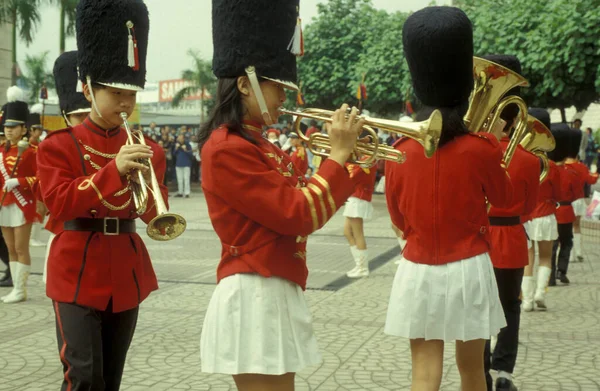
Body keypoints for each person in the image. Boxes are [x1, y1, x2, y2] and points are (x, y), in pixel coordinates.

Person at [199, 1, 364, 390]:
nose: (283, 99)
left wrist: (341, 159)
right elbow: (297, 213)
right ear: (245, 83)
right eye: (278, 87)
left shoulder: (262, 145)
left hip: (273, 285)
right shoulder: (227, 148)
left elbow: (305, 199)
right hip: (254, 289)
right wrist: (338, 155)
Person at [36, 1, 167, 389]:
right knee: (83, 376)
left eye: (132, 93)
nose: (125, 103)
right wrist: (113, 172)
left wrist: (147, 188)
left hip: (124, 269)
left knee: (111, 378)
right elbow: (60, 204)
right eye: (114, 92)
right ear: (88, 88)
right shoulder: (58, 146)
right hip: (74, 269)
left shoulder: (149, 149)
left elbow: (152, 216)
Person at [384, 7, 513, 391]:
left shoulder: (400, 150)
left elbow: (398, 218)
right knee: (473, 370)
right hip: (469, 267)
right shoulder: (483, 147)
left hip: (418, 268)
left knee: (423, 372)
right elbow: (505, 199)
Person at [481, 55, 540, 391]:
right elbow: (530, 208)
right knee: (509, 309)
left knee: (478, 310)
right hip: (513, 239)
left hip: (479, 239)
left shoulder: (472, 153)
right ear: (517, 117)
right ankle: (504, 374)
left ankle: (480, 371)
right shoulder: (531, 161)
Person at [39, 50, 92, 284]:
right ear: (66, 116)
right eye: (78, 115)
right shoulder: (55, 147)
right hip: (69, 236)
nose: (86, 120)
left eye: (90, 114)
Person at [521, 109, 562, 311]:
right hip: (547, 214)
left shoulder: (522, 159)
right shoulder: (551, 165)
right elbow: (560, 194)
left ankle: (527, 301)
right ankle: (540, 294)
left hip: (528, 217)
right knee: (546, 257)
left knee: (527, 259)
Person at [0, 86, 37, 304]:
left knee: (22, 247)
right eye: (7, 127)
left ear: (24, 129)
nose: (9, 130)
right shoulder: (1, 151)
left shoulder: (32, 152)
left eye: (14, 127)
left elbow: (41, 177)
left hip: (22, 203)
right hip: (4, 203)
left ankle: (21, 289)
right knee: (11, 248)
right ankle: (16, 288)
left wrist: (20, 182)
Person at [549, 124, 583, 285]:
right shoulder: (571, 173)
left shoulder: (546, 169)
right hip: (566, 211)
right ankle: (561, 271)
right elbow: (577, 194)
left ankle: (549, 275)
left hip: (550, 211)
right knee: (566, 242)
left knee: (552, 244)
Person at [566, 134, 598, 263]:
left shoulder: (562, 167)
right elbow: (591, 179)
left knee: (565, 228)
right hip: (579, 200)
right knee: (577, 226)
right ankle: (578, 252)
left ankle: (569, 254)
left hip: (566, 202)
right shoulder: (581, 167)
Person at [344, 159, 377, 278]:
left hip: (359, 197)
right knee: (347, 232)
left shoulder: (368, 158)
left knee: (358, 233)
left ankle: (363, 268)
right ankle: (359, 264)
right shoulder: (360, 159)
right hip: (354, 196)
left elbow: (352, 176)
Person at [26, 104, 46, 248]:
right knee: (34, 210)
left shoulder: (40, 144)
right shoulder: (27, 146)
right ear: (31, 130)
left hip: (39, 179)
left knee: (41, 209)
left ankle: (35, 236)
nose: (39, 131)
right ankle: (32, 237)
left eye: (40, 129)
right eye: (37, 129)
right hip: (29, 181)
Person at [173, 133, 194, 198]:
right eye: (179, 138)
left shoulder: (188, 144)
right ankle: (180, 192)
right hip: (178, 164)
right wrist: (176, 148)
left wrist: (185, 150)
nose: (179, 139)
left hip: (186, 164)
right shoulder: (177, 145)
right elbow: (174, 154)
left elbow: (191, 154)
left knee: (186, 179)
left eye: (181, 138)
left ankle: (187, 193)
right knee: (179, 179)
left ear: (183, 138)